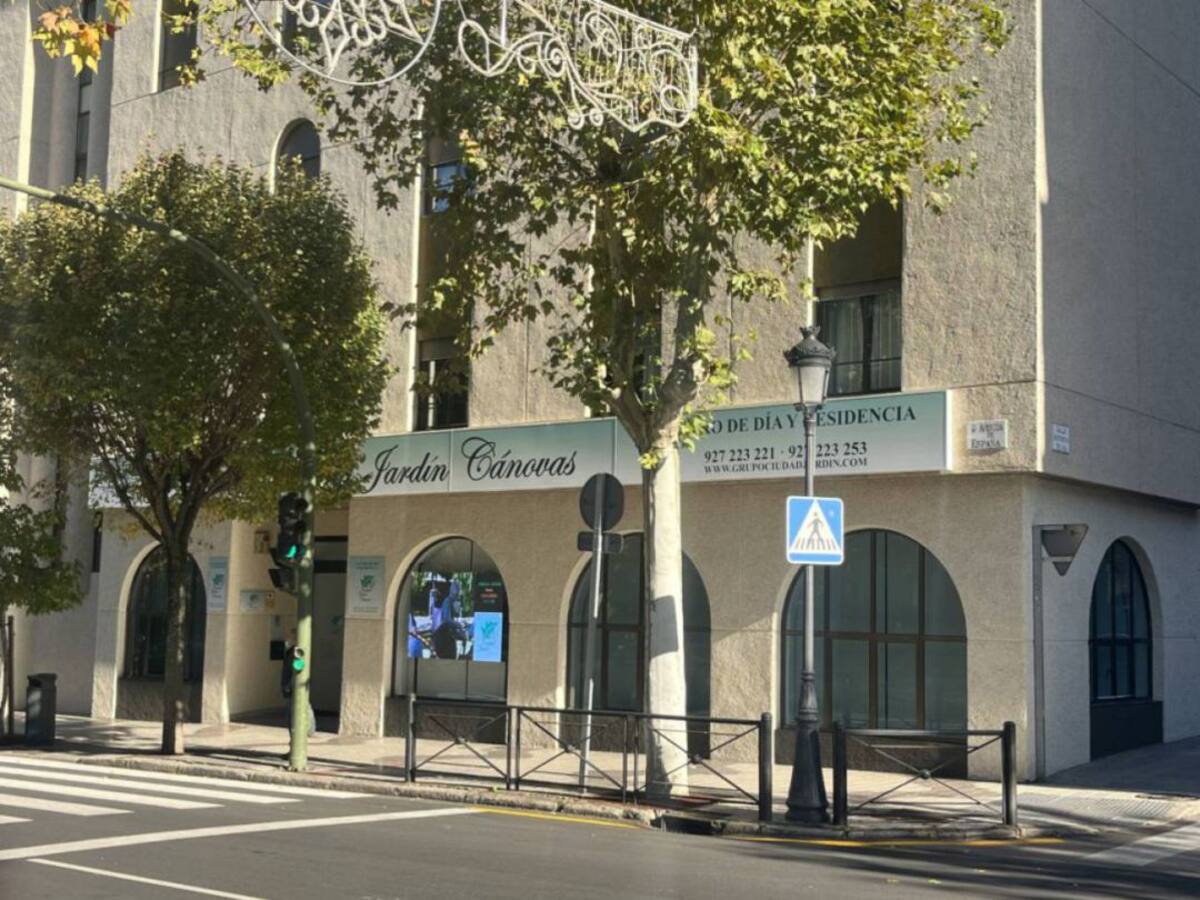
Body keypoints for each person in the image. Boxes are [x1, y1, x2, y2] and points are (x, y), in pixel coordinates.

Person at [281, 629, 316, 737]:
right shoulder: (290, 651)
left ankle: (307, 730)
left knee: (297, 710)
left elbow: (293, 670)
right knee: (294, 711)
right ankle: (299, 733)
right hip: (289, 687)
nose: (287, 639)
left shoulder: (296, 652)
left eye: (289, 637)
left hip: (292, 687)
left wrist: (288, 686)